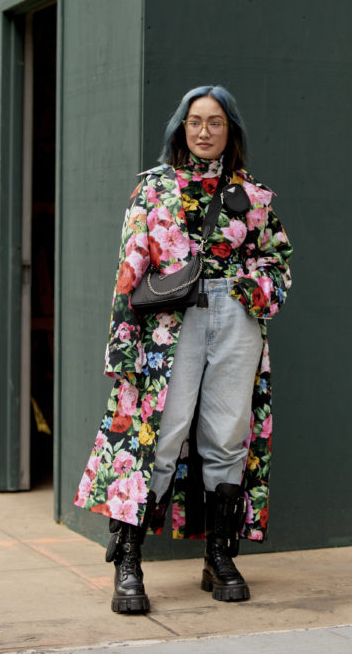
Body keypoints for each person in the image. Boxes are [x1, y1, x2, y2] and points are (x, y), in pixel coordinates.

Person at [74, 85, 293, 614]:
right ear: (181, 127)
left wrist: (249, 290)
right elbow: (129, 272)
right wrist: (121, 347)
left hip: (235, 317)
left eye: (215, 122)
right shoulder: (153, 191)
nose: (204, 131)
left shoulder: (254, 196)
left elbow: (278, 263)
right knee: (160, 436)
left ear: (230, 130)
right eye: (195, 121)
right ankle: (128, 559)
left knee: (228, 434)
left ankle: (219, 555)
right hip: (170, 325)